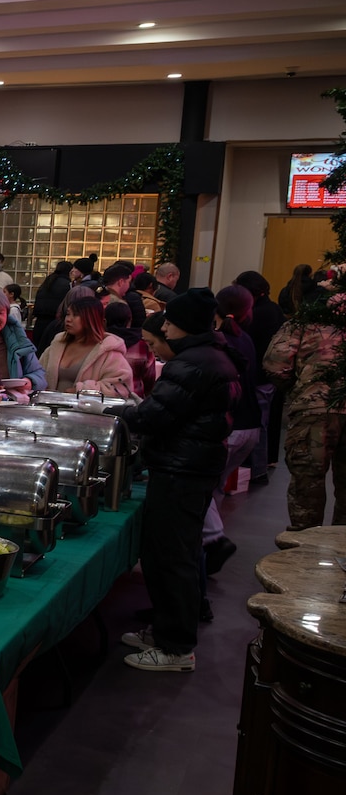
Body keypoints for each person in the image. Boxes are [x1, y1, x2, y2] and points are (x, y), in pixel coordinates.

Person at [117, 289, 236, 673]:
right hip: (187, 466)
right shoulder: (205, 357)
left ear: (185, 325)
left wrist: (116, 416)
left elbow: (156, 414)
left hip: (183, 470)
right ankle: (167, 630)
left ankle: (176, 648)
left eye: (169, 322)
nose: (163, 327)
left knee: (173, 556)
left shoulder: (193, 364)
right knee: (167, 553)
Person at [264, 288, 346, 530]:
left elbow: (275, 363)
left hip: (314, 408)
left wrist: (299, 388)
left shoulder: (305, 321)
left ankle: (303, 549)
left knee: (307, 484)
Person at [200, 285, 262, 576]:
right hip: (250, 428)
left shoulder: (220, 342)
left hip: (231, 427)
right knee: (216, 487)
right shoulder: (245, 338)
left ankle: (213, 540)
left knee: (201, 487)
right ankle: (212, 540)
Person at [235, 270, 286, 484]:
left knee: (258, 422)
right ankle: (262, 465)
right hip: (272, 375)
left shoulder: (258, 313)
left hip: (259, 376)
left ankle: (256, 470)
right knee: (265, 421)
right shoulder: (273, 309)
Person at [38, 287, 134, 399]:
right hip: (50, 408)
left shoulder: (108, 351)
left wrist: (81, 390)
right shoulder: (57, 345)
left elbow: (120, 387)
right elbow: (38, 372)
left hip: (86, 412)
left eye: (75, 315)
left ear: (90, 319)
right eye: (68, 314)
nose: (68, 319)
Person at [0, 287, 45, 393]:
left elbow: (39, 374)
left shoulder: (17, 340)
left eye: (1, 313)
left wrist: (29, 381)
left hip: (11, 403)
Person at [108, 301, 155, 398]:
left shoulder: (100, 342)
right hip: (134, 397)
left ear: (104, 320)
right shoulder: (143, 345)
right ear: (130, 320)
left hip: (104, 397)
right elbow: (149, 378)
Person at [31, 259, 79, 337]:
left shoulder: (48, 281)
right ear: (69, 271)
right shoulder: (67, 285)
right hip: (55, 322)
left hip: (40, 321)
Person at [100, 261, 146, 329]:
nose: (129, 285)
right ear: (121, 282)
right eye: (128, 282)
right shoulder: (118, 303)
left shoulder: (97, 294)